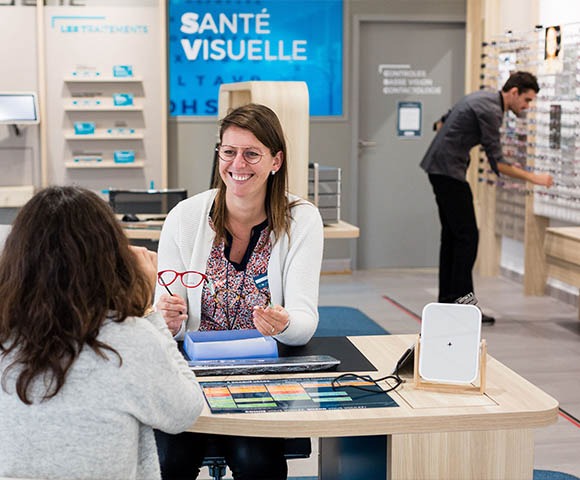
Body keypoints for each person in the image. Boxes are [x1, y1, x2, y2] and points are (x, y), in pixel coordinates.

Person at [154, 103, 324, 480]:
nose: (238, 164)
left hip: (260, 373)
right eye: (228, 152)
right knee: (167, 462)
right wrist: (167, 321)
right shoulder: (184, 217)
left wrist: (283, 324)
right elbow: (161, 315)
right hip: (190, 375)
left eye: (252, 153)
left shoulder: (302, 219)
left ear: (275, 160)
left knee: (256, 461)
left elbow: (304, 322)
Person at [0, 186, 204, 480]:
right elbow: (186, 411)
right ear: (110, 257)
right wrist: (147, 311)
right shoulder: (128, 338)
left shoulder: (7, 336)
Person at [420, 71, 553, 323]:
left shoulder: (482, 97)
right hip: (448, 171)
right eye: (527, 100)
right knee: (468, 236)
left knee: (453, 236)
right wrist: (536, 179)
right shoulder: (491, 111)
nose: (526, 107)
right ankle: (463, 306)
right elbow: (498, 164)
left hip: (440, 168)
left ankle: (448, 302)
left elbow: (440, 122)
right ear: (514, 92)